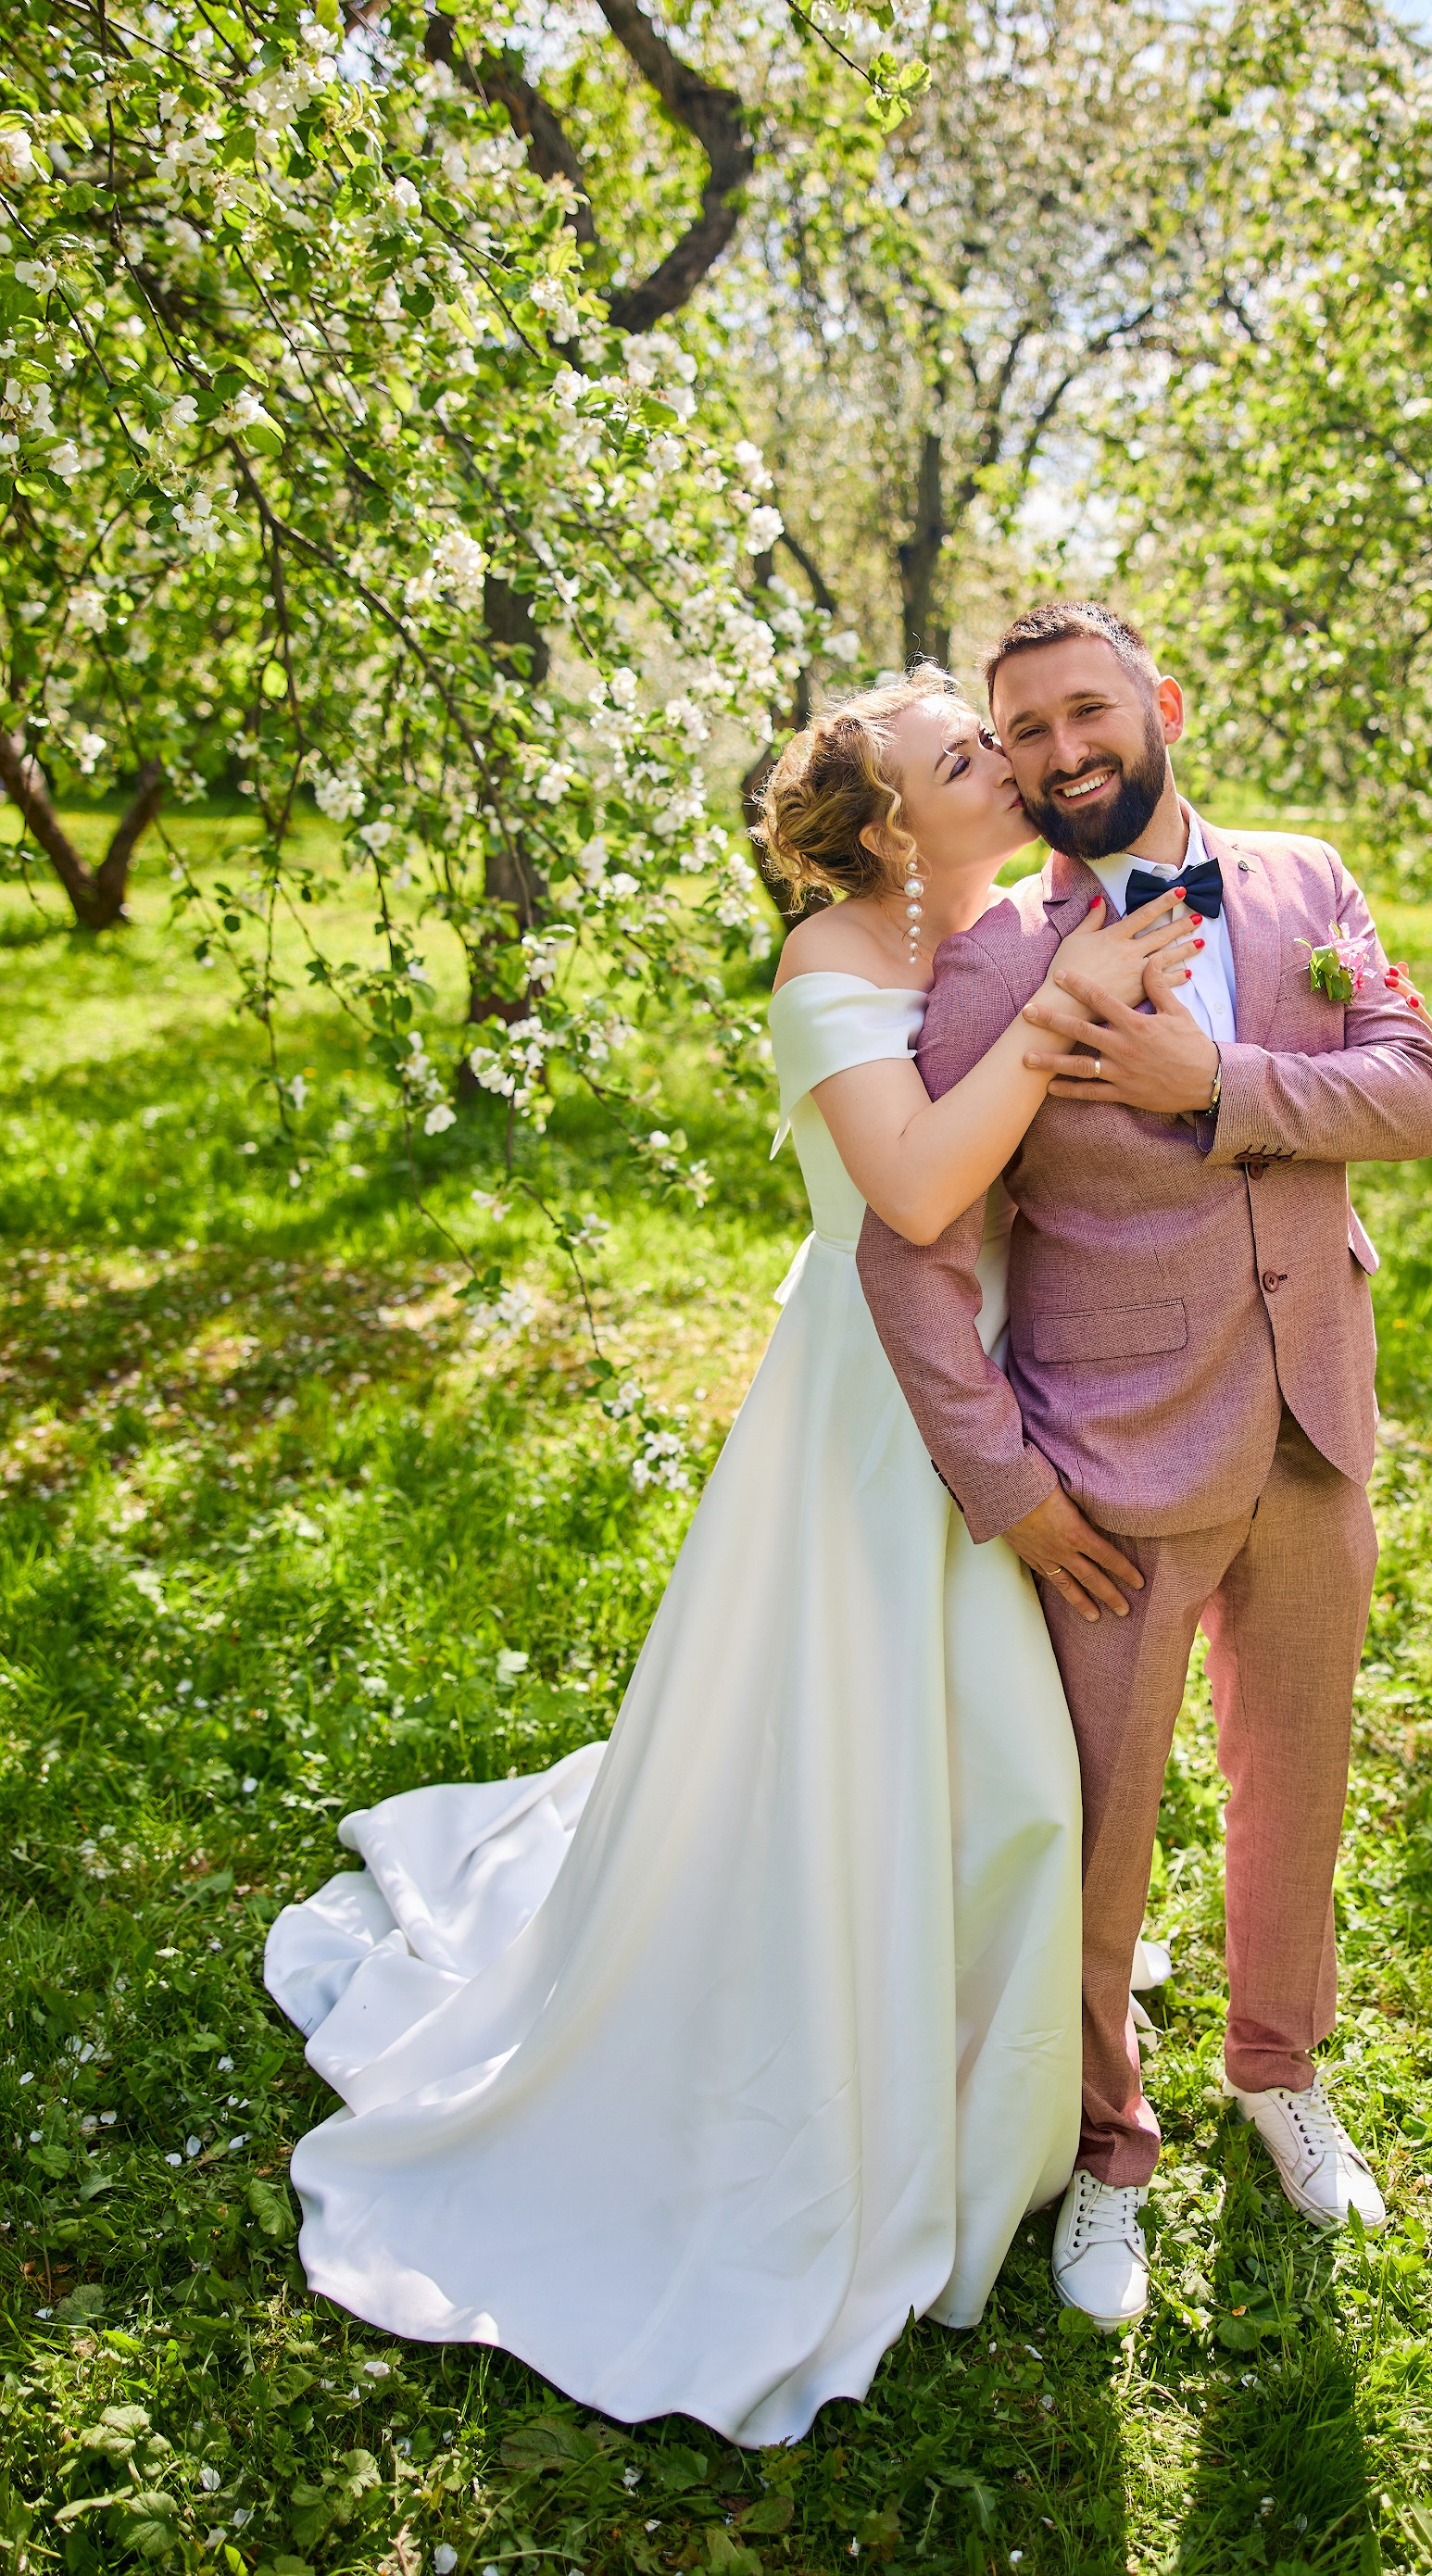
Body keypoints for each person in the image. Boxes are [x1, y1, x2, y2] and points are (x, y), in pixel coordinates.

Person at [262, 664, 1197, 2445]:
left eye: (993, 744)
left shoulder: (1025, 922)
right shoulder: (829, 969)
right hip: (871, 1416)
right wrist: (1067, 1010)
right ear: (886, 832)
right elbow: (916, 1194)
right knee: (858, 1736)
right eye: (960, 757)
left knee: (1002, 1756)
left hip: (1016, 1378)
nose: (1005, 765)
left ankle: (992, 2030)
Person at [856, 603, 1432, 2329]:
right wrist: (1008, 1489)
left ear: (1160, 707)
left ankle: (1278, 2071)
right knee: (1102, 1832)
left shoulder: (1305, 884)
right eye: (1020, 730)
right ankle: (1108, 2147)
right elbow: (912, 1256)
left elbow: (1409, 1093)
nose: (1058, 753)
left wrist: (1223, 1083)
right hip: (1106, 1471)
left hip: (1315, 1428)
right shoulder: (986, 969)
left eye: (1084, 712)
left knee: (1299, 1779)